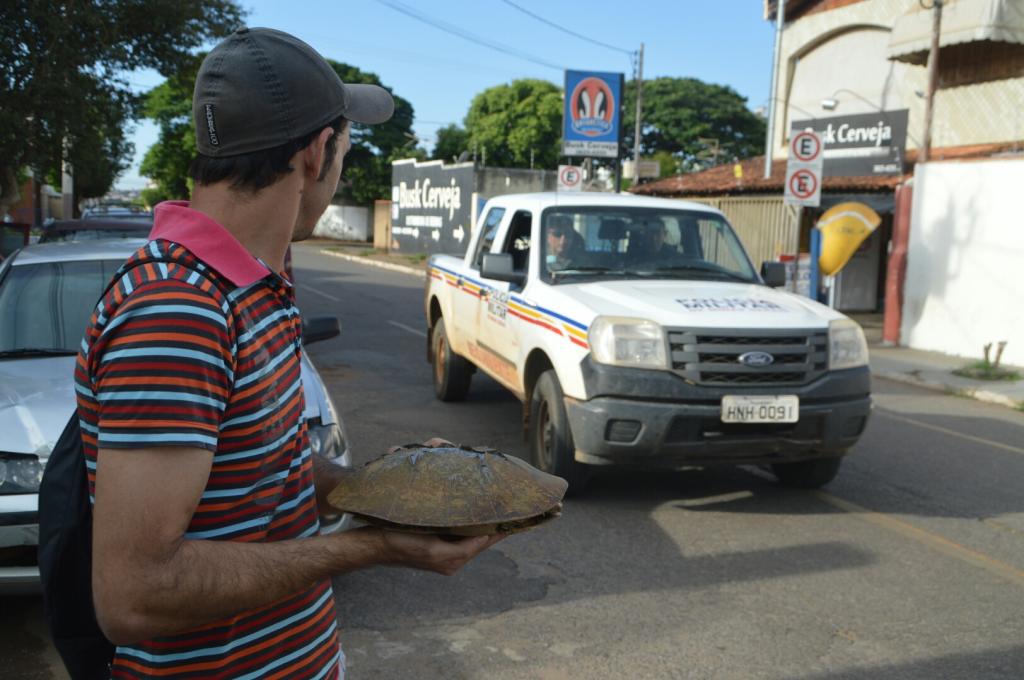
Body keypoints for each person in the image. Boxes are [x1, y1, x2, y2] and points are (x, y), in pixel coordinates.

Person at [76, 28, 501, 679]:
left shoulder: (255, 284)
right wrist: (366, 549)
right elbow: (135, 594)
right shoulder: (176, 309)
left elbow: (265, 471)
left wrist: (390, 491)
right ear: (315, 153)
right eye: (345, 150)